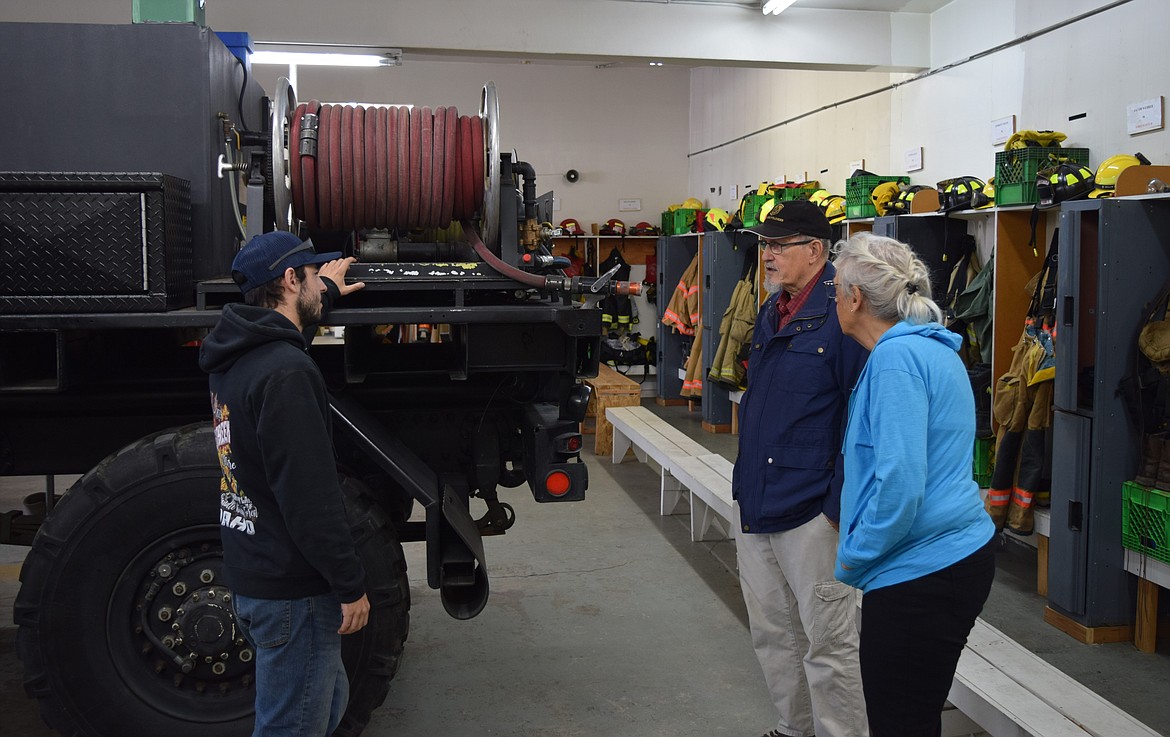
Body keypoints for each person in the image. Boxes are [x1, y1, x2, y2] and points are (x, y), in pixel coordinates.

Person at [199, 230, 370, 737]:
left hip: (256, 572)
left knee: (328, 702)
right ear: (291, 280)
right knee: (290, 728)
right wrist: (350, 584)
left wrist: (330, 294)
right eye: (315, 276)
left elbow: (286, 341)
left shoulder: (238, 358)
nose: (322, 283)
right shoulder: (288, 374)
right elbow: (310, 499)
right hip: (295, 591)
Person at [831, 232, 997, 737]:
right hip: (947, 559)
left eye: (836, 288)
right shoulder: (930, 348)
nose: (834, 297)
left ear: (856, 298)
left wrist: (857, 554)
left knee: (900, 721)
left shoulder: (896, 361)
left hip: (921, 568)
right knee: (913, 714)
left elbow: (900, 481)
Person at [733, 198, 870, 737]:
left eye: (777, 245)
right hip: (759, 496)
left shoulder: (845, 313)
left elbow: (861, 418)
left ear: (815, 251)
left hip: (813, 510)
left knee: (829, 642)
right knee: (774, 632)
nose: (766, 255)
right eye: (764, 245)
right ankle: (795, 729)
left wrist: (836, 508)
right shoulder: (776, 309)